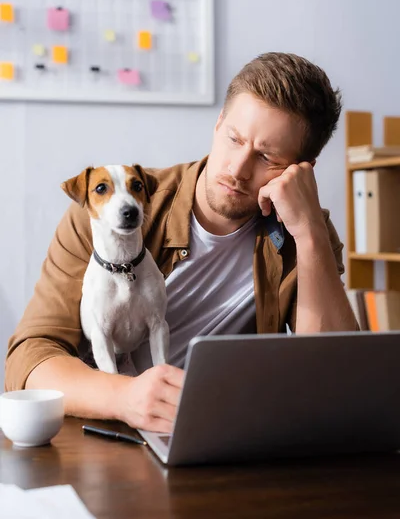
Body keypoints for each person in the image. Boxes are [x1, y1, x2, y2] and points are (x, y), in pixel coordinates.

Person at [5, 52, 358, 433]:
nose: (237, 170)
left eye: (266, 157)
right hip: (106, 431)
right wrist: (124, 398)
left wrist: (309, 236)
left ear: (302, 170)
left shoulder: (305, 234)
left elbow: (335, 379)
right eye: (234, 138)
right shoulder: (107, 210)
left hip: (217, 431)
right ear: (218, 123)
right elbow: (30, 356)